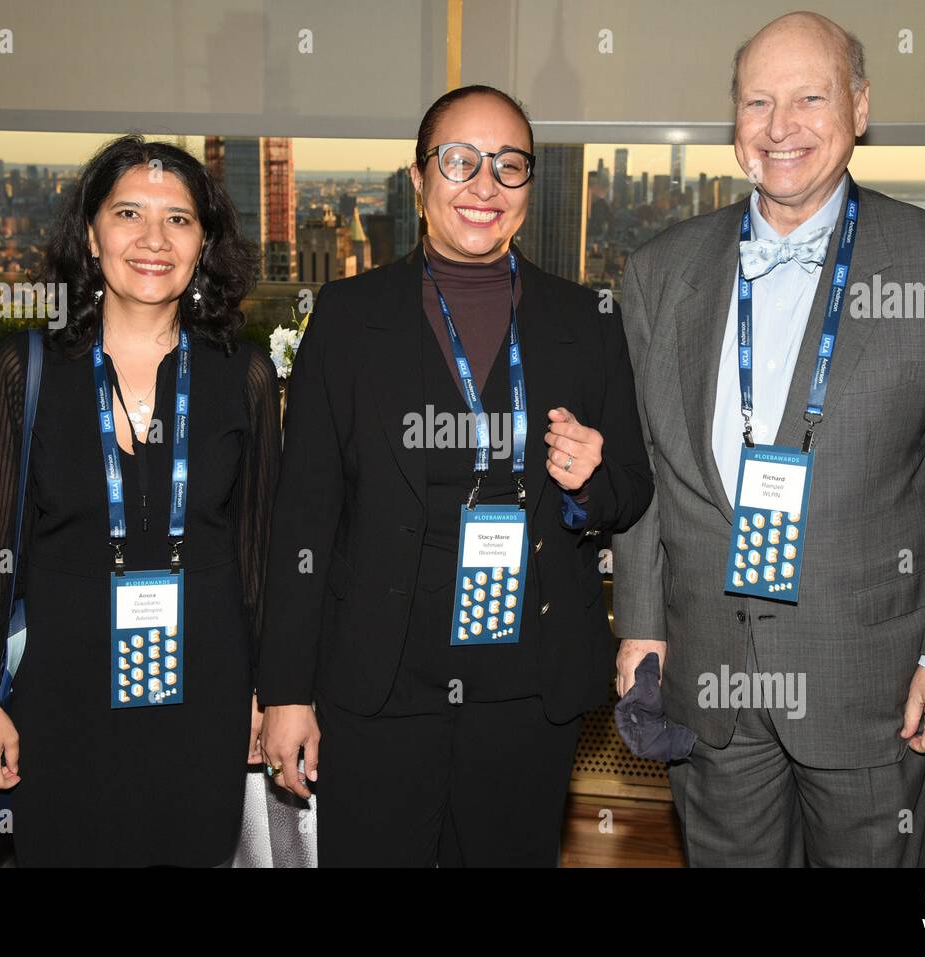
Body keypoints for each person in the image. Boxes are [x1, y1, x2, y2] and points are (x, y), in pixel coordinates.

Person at [612, 11, 925, 867]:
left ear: (860, 108)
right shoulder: (658, 272)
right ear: (734, 122)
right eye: (757, 102)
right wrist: (641, 625)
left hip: (871, 681)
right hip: (708, 674)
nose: (779, 126)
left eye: (808, 98)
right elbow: (649, 468)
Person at [258, 85, 653, 867]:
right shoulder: (344, 317)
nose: (484, 185)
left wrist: (587, 479)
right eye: (460, 161)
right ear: (418, 179)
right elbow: (301, 519)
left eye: (509, 166)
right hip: (377, 683)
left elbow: (631, 490)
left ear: (529, 187)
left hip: (525, 687)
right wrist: (286, 693)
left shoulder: (586, 321)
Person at [0, 134, 279, 867]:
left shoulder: (242, 374)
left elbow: (261, 552)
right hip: (63, 694)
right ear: (91, 235)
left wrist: (269, 688)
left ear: (204, 243)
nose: (153, 239)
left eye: (179, 219)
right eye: (129, 213)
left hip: (207, 687)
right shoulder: (26, 369)